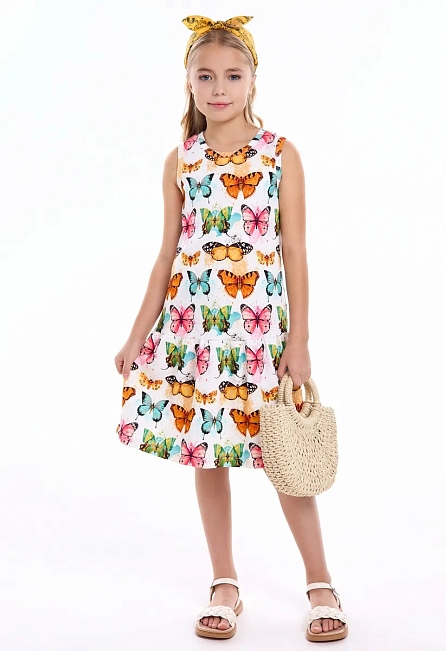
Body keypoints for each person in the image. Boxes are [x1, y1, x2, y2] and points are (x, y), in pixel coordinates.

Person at [114, 14, 348, 643]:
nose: (219, 88)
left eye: (232, 76)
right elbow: (167, 254)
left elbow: (294, 251)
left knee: (282, 455)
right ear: (188, 83)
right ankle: (224, 581)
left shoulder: (279, 155)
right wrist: (136, 335)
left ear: (252, 81)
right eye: (206, 76)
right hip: (194, 334)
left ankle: (320, 581)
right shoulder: (181, 160)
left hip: (259, 338)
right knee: (208, 453)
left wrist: (299, 341)